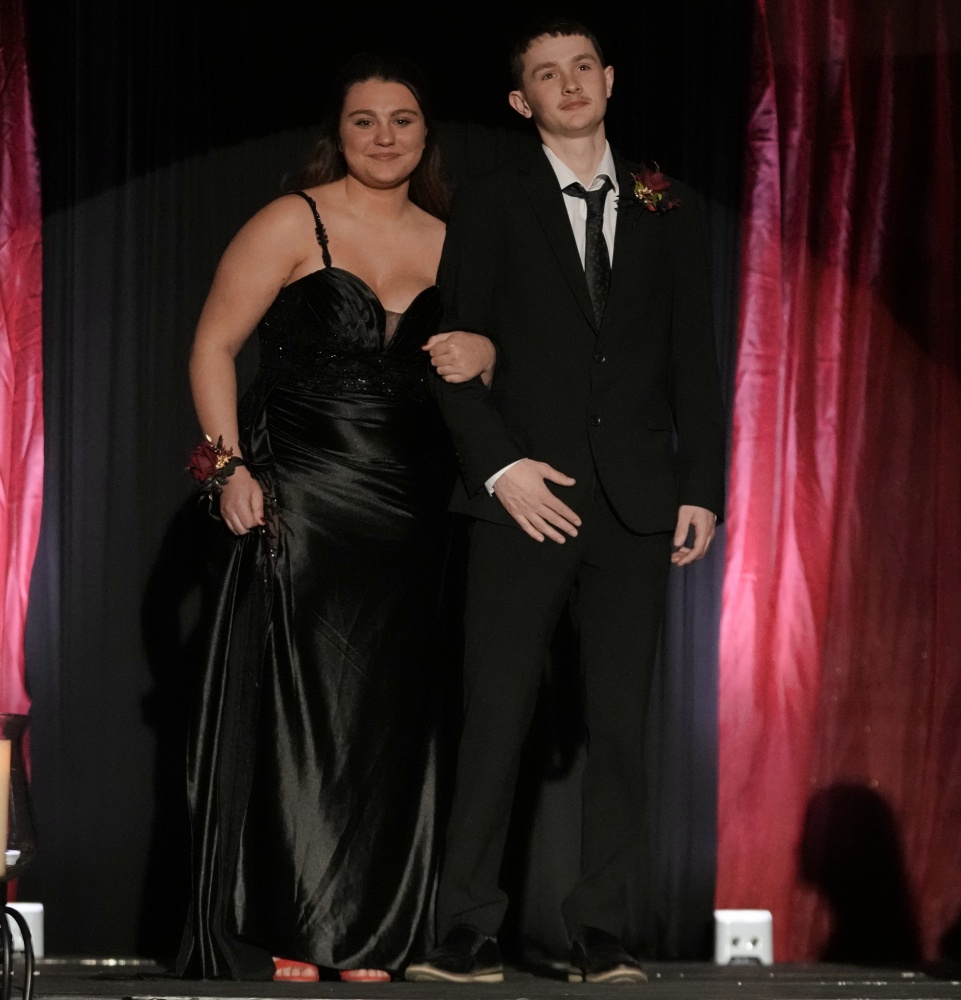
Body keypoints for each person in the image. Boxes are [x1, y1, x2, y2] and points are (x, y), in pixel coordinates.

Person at [404, 18, 725, 986]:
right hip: (522, 499)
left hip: (634, 504)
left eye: (583, 66)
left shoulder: (665, 204)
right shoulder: (493, 201)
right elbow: (451, 354)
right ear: (522, 100)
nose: (570, 83)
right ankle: (465, 932)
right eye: (547, 74)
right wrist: (502, 470)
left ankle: (602, 935)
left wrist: (700, 489)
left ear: (610, 78)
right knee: (494, 717)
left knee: (619, 728)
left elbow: (694, 360)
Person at [176, 54, 495, 983]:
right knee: (303, 706)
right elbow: (213, 344)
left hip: (416, 506)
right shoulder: (293, 220)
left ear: (426, 135)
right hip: (305, 495)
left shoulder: (457, 240)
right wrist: (228, 468)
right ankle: (293, 917)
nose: (385, 136)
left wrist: (488, 351)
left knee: (393, 716)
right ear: (338, 133)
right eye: (365, 120)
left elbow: (495, 369)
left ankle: (370, 929)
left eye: (403, 119)